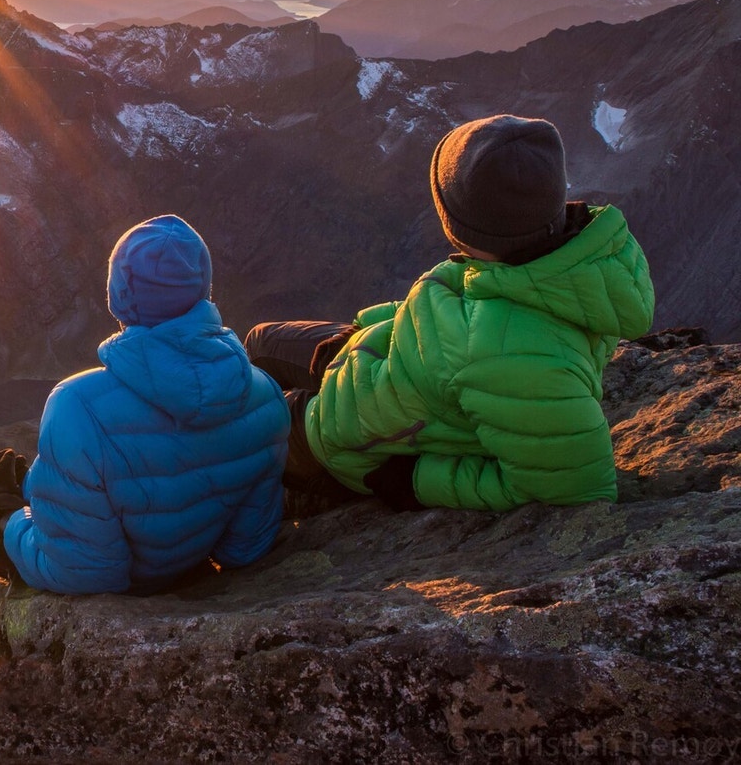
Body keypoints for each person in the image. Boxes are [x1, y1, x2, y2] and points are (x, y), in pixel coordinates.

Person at [0, 214, 289, 684]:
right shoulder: (264, 395)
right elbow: (244, 546)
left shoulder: (79, 404)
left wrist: (8, 515)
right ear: (203, 288)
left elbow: (85, 571)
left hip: (66, 559)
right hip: (170, 566)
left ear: (120, 296)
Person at [247, 114, 655, 513]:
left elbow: (575, 486)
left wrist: (413, 480)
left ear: (463, 228)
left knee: (228, 422)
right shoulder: (543, 261)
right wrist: (361, 332)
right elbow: (447, 315)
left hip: (344, 442)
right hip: (379, 365)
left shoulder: (515, 359)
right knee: (257, 342)